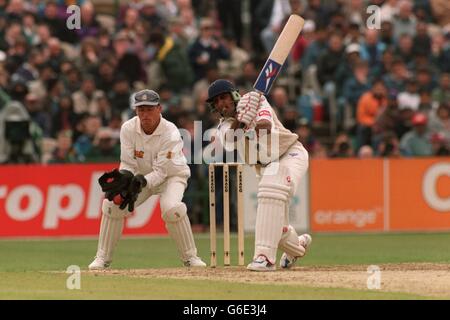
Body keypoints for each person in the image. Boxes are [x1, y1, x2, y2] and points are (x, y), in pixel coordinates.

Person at [89, 89, 206, 270]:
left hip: (171, 176)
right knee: (112, 206)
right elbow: (127, 163)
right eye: (141, 109)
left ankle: (190, 258)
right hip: (141, 177)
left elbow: (161, 172)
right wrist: (125, 179)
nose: (145, 114)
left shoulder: (172, 132)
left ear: (159, 109)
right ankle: (102, 258)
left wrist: (138, 183)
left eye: (149, 109)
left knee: (171, 209)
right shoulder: (128, 128)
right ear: (136, 111)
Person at [206, 79, 312, 271]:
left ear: (234, 95)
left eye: (224, 97)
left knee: (271, 187)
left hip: (290, 154)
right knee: (276, 229)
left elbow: (265, 126)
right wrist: (242, 119)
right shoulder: (222, 127)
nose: (222, 103)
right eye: (217, 101)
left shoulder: (257, 101)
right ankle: (298, 247)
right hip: (264, 167)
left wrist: (250, 112)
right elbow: (230, 141)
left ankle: (264, 257)